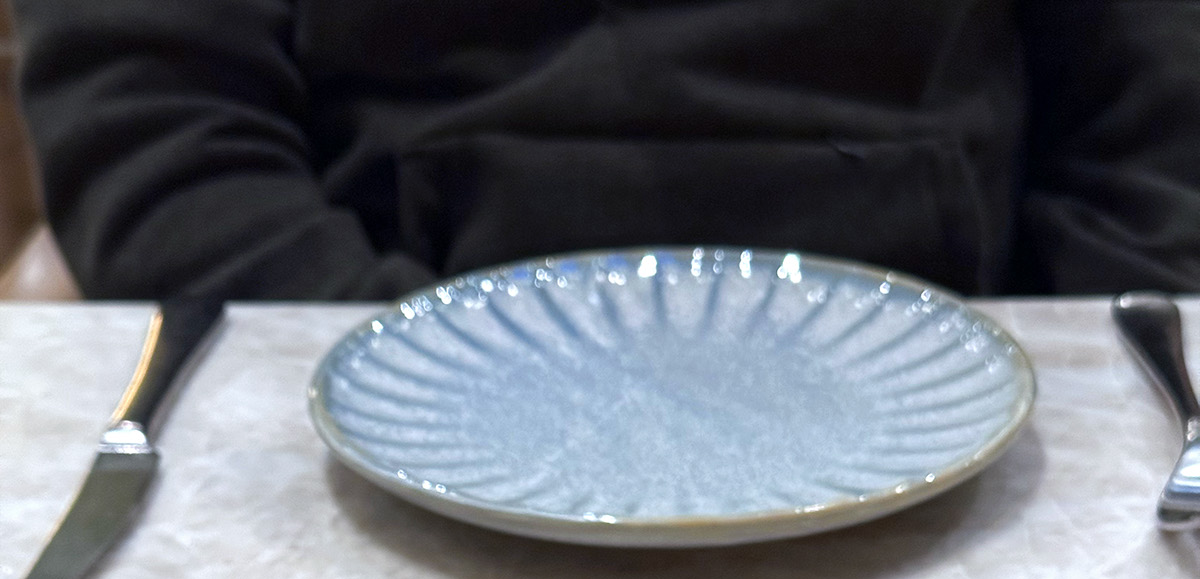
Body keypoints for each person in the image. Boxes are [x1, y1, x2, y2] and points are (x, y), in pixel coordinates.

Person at [11, 0, 1200, 303]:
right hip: (373, 341)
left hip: (966, 346)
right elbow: (151, 98)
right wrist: (385, 357)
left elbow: (1158, 96)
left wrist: (1071, 356)